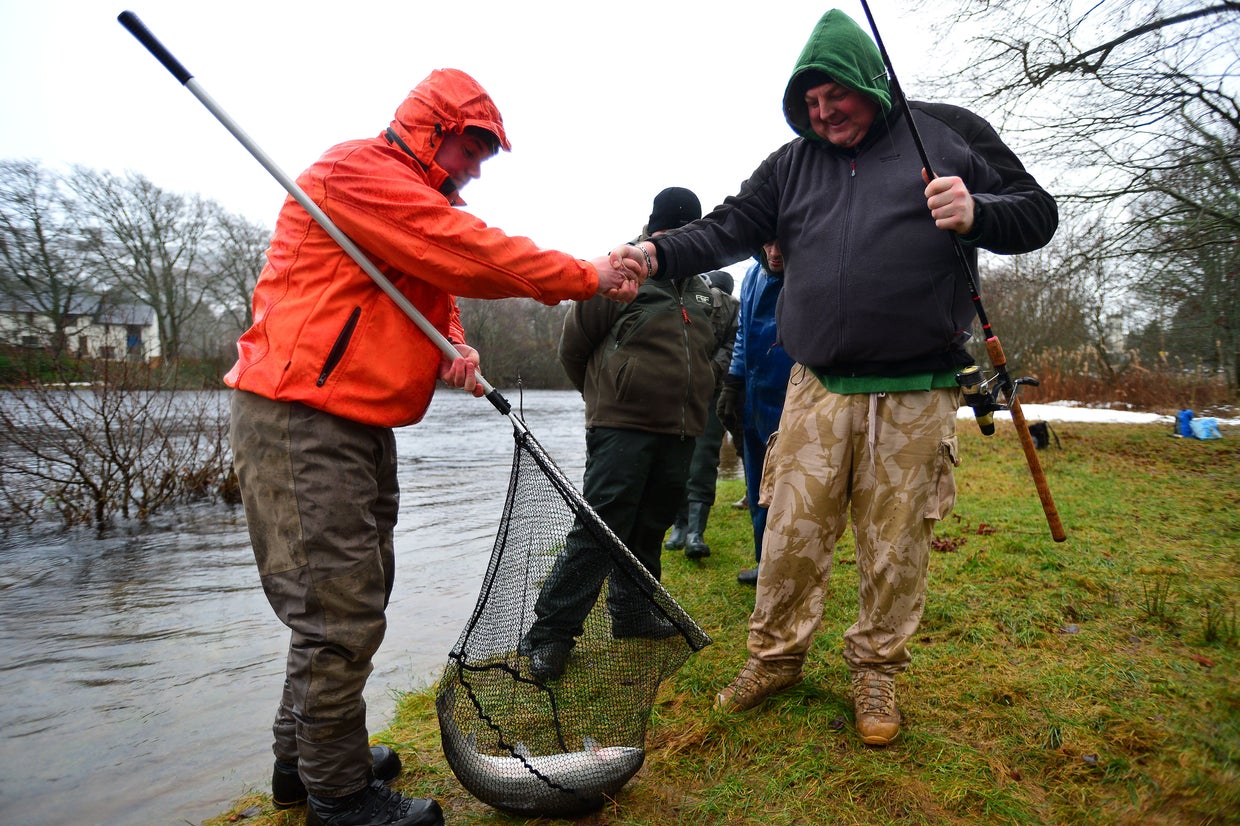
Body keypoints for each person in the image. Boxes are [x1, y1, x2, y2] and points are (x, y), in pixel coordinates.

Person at [610, 9, 1057, 747]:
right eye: (808, 106)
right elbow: (725, 224)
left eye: (833, 99)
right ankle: (774, 658)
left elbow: (1037, 212)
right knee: (789, 533)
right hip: (816, 385)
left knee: (895, 543)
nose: (822, 115)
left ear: (866, 82)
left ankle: (876, 671)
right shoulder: (792, 164)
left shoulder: (946, 132)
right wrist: (653, 254)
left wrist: (977, 212)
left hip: (918, 388)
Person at [226, 68, 638, 826]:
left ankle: (306, 758)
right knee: (335, 611)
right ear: (431, 128)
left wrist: (452, 343)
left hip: (356, 421)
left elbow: (432, 286)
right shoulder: (355, 174)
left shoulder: (413, 200)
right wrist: (587, 274)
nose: (478, 165)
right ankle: (338, 798)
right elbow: (460, 252)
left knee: (355, 593)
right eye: (473, 145)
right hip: (299, 417)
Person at [517, 187, 720, 681]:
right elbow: (575, 348)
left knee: (650, 527)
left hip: (682, 429)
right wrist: (606, 400)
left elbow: (707, 353)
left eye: (688, 233)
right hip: (621, 427)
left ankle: (631, 615)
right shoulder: (621, 271)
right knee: (599, 532)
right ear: (653, 230)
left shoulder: (701, 288)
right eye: (670, 232)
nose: (677, 241)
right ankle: (550, 635)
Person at [716, 241, 793, 585]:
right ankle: (764, 561)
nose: (774, 253)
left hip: (794, 398)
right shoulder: (751, 277)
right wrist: (733, 383)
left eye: (781, 244)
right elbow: (743, 334)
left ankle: (790, 567)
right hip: (753, 399)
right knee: (757, 485)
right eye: (767, 245)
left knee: (791, 490)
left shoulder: (805, 274)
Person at [664, 269, 740, 560]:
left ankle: (696, 532)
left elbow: (734, 344)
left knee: (705, 458)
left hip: (714, 392)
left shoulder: (733, 308)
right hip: (677, 392)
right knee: (675, 457)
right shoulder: (679, 298)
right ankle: (679, 525)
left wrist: (708, 373)